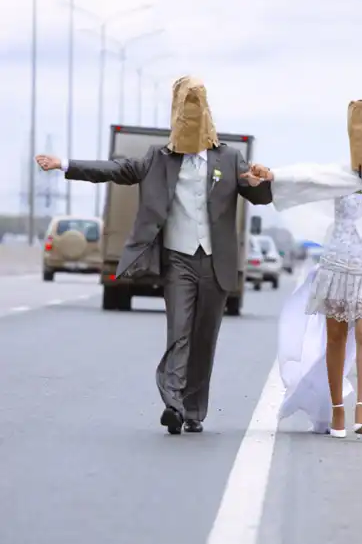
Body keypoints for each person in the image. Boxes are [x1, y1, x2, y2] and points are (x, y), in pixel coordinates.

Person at [36, 76, 272, 435]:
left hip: (216, 263)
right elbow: (116, 170)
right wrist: (64, 163)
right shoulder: (158, 159)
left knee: (204, 338)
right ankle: (173, 405)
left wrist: (259, 181)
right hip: (178, 260)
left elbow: (259, 196)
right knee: (179, 332)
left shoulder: (229, 158)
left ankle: (194, 410)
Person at [244, 152, 362, 438]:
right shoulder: (343, 174)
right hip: (337, 266)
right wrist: (274, 174)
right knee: (336, 337)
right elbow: (310, 177)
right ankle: (337, 409)